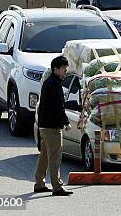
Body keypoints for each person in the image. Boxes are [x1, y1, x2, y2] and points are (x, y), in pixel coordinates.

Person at [34, 56, 73, 196]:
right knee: (55, 156)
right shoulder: (55, 84)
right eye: (63, 68)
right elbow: (58, 106)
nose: (65, 71)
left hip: (44, 125)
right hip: (52, 127)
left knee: (44, 155)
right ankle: (57, 186)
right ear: (56, 69)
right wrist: (66, 122)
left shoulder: (48, 82)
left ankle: (39, 183)